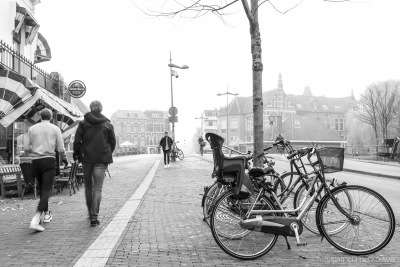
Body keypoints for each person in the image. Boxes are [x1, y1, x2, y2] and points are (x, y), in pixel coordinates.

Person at [24, 108, 68, 232]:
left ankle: (47, 214)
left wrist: (37, 148)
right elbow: (60, 148)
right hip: (49, 160)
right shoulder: (55, 129)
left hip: (36, 161)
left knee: (42, 189)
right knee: (46, 190)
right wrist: (64, 159)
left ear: (40, 116)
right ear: (51, 117)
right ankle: (36, 217)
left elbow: (27, 148)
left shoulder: (32, 129)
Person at [73, 100, 116, 227]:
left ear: (91, 108)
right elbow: (112, 142)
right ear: (101, 109)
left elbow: (77, 141)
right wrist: (107, 152)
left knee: (88, 186)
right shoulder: (107, 124)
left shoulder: (83, 123)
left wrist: (77, 154)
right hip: (101, 159)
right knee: (98, 188)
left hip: (86, 159)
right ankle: (94, 217)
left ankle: (90, 212)